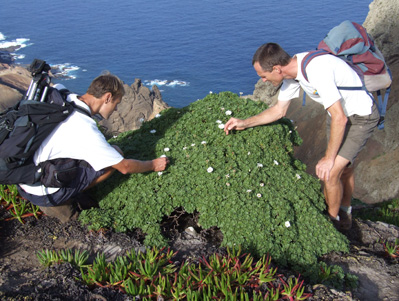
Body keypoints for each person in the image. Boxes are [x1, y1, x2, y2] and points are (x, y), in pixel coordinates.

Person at [224, 43, 379, 231]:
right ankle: (344, 211)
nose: (263, 81)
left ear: (276, 69)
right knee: (344, 168)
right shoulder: (292, 75)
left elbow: (340, 117)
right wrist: (244, 123)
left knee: (330, 172)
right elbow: (279, 110)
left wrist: (328, 159)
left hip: (361, 117)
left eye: (263, 76)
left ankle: (332, 225)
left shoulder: (316, 70)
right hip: (338, 117)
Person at [18, 73, 169, 223]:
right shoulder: (86, 129)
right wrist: (154, 164)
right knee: (115, 153)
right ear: (107, 97)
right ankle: (69, 198)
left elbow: (56, 86)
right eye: (116, 103)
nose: (116, 109)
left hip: (25, 177)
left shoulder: (62, 95)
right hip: (44, 192)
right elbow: (125, 167)